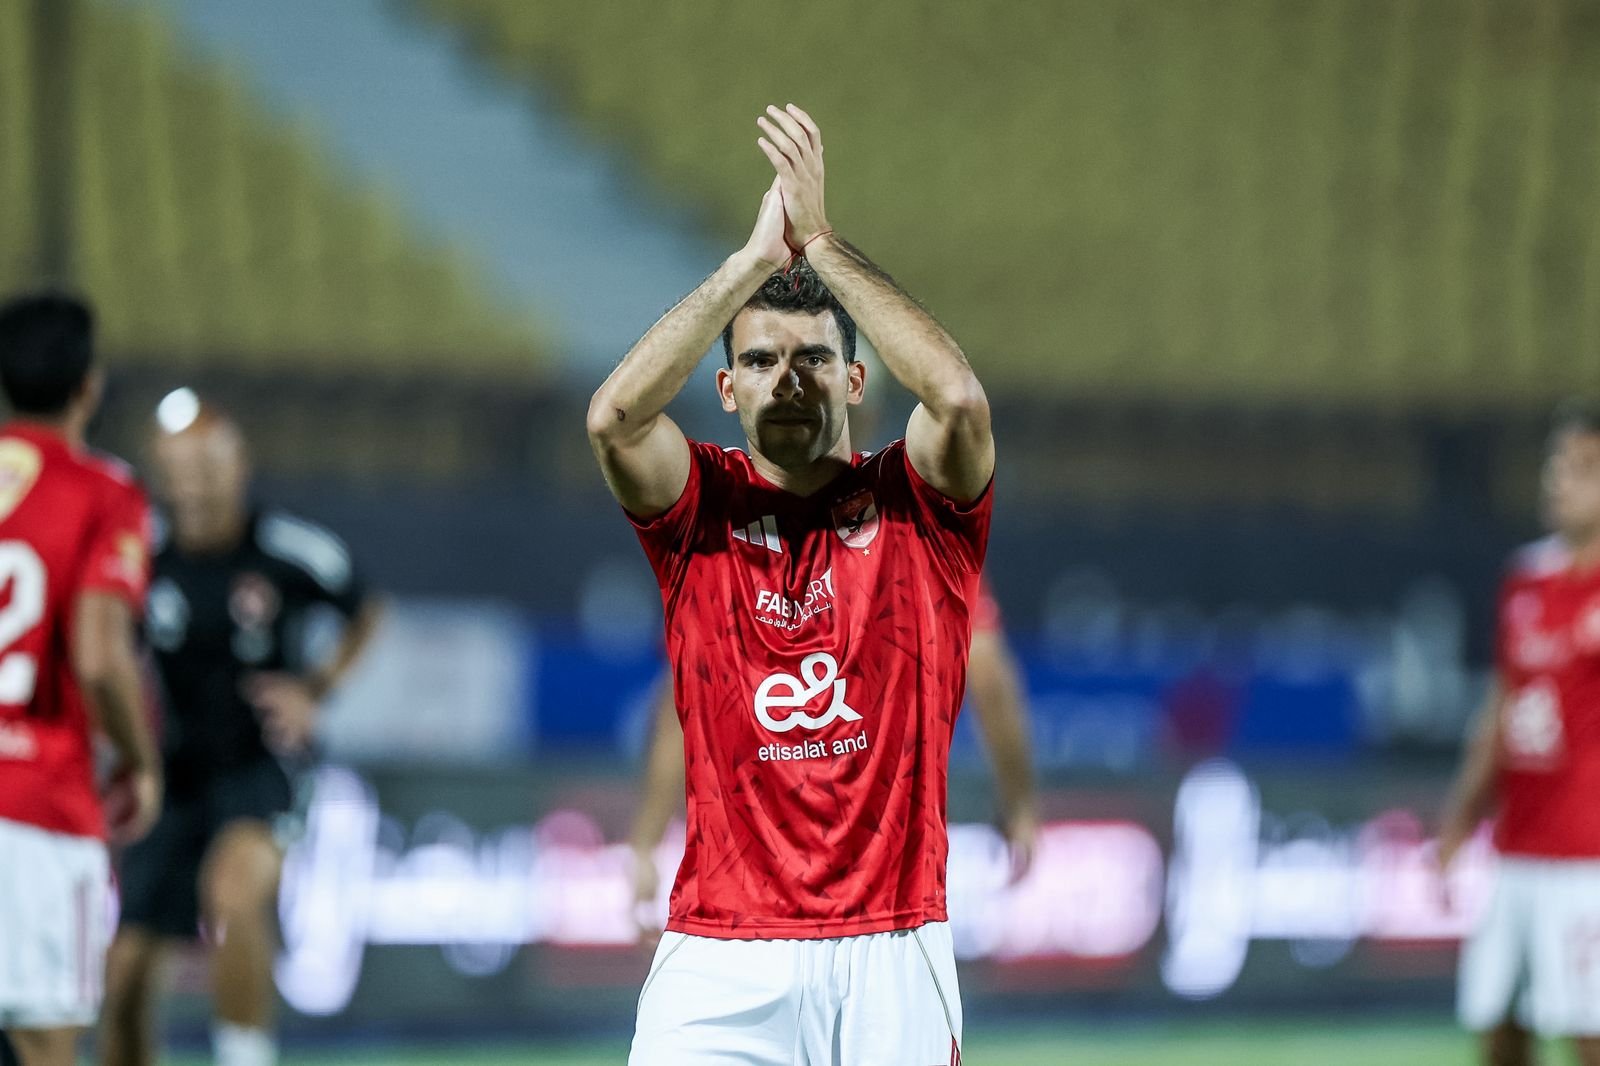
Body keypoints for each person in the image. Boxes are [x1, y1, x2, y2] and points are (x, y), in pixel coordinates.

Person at [588, 103, 995, 1065]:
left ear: (856, 381)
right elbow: (613, 421)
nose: (788, 378)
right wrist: (749, 266)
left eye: (814, 357)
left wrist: (822, 244)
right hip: (720, 950)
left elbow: (959, 398)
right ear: (726, 389)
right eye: (760, 360)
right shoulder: (699, 508)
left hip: (893, 942)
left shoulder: (918, 503)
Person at [99, 393, 382, 1066]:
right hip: (173, 774)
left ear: (239, 466)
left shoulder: (287, 549)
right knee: (125, 972)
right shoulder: (143, 554)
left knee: (233, 896)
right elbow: (107, 642)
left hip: (262, 763)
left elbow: (366, 610)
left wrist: (314, 689)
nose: (195, 481)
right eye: (180, 466)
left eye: (208, 463)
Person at [628, 574, 1037, 943]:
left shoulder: (735, 550)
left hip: (759, 869)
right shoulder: (907, 539)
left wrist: (647, 841)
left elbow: (688, 689)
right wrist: (1018, 808)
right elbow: (985, 667)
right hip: (882, 868)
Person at [0, 294, 161, 1066]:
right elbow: (99, 657)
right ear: (88, 386)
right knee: (46, 1042)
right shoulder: (101, 491)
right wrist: (138, 758)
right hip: (37, 804)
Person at [1439, 402, 1600, 1066]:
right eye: (1555, 464)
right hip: (1517, 844)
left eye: (1582, 467)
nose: (1558, 481)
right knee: (1497, 1027)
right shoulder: (1527, 577)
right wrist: (1462, 816)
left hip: (1589, 854)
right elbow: (1502, 707)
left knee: (1589, 1034)